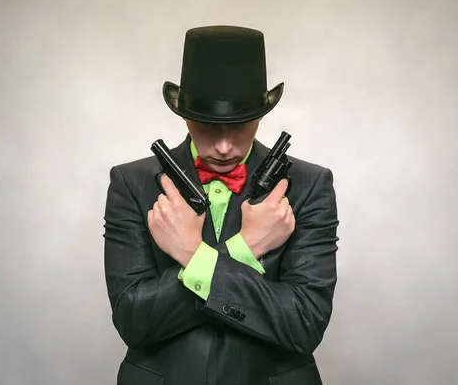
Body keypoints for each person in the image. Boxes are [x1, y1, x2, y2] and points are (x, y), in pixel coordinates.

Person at [103, 25, 339, 385]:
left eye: (240, 124)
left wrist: (194, 258)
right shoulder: (130, 183)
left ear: (261, 115)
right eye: (210, 126)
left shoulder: (310, 185)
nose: (225, 147)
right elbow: (135, 323)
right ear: (184, 115)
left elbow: (303, 324)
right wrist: (246, 248)